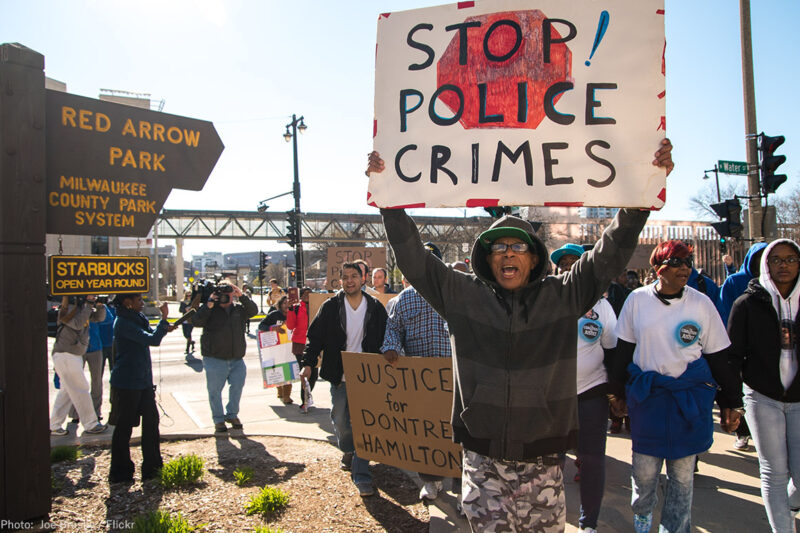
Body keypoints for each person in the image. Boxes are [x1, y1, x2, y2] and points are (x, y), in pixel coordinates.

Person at [368, 139, 674, 532]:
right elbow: (413, 256)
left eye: (518, 247)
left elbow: (609, 253)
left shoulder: (563, 296)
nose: (507, 254)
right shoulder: (462, 296)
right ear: (486, 258)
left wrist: (640, 198)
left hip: (545, 463)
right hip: (482, 461)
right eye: (497, 247)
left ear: (533, 258)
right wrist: (389, 200)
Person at [610, 240, 743, 533]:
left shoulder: (701, 303)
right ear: (659, 269)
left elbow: (719, 357)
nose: (685, 268)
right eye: (677, 263)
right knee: (644, 474)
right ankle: (643, 518)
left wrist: (732, 400)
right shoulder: (636, 300)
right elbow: (623, 351)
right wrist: (616, 393)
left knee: (682, 478)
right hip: (649, 399)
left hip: (689, 401)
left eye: (688, 263)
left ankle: (676, 528)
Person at [728, 239, 800, 533]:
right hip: (762, 396)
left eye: (790, 259)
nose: (783, 265)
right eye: (776, 260)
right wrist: (731, 400)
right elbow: (732, 355)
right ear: (766, 265)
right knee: (774, 471)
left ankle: (790, 504)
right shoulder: (747, 303)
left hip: (799, 400)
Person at [300, 263, 388, 497]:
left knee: (364, 425)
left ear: (363, 279)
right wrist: (307, 364)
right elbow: (314, 337)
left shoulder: (376, 307)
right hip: (338, 375)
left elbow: (387, 336)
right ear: (340, 281)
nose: (349, 281)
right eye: (345, 277)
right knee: (340, 419)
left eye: (354, 277)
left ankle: (361, 475)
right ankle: (348, 449)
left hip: (367, 377)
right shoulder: (331, 307)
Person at [381, 242, 455, 502]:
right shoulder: (403, 299)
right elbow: (393, 330)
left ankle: (462, 488)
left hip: (455, 378)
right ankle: (431, 482)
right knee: (427, 432)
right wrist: (391, 348)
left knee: (458, 432)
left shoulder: (455, 293)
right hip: (420, 381)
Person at [551, 244, 617, 533]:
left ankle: (588, 522)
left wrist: (616, 394)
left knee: (592, 461)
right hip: (553, 398)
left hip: (591, 394)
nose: (568, 267)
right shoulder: (546, 301)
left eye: (574, 262)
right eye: (563, 263)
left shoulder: (602, 308)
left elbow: (613, 352)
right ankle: (551, 517)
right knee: (550, 463)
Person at [108, 293, 175, 483]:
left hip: (143, 381)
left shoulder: (136, 318)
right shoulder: (122, 322)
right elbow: (151, 340)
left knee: (151, 422)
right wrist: (163, 319)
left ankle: (152, 468)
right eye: (139, 301)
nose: (143, 303)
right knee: (124, 427)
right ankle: (120, 472)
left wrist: (163, 327)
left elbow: (151, 334)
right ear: (127, 303)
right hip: (127, 383)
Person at [192, 281, 259, 434]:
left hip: (236, 358)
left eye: (229, 293)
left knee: (237, 388)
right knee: (214, 391)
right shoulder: (210, 309)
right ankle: (218, 419)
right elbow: (196, 321)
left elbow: (253, 311)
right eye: (222, 293)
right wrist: (208, 305)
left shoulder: (238, 310)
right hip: (214, 358)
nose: (225, 297)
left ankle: (232, 414)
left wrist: (241, 296)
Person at [50, 295, 108, 436]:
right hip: (66, 354)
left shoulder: (82, 311)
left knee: (66, 392)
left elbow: (99, 318)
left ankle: (54, 425)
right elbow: (78, 323)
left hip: (71, 355)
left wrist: (100, 306)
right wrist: (89, 304)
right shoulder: (66, 311)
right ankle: (91, 424)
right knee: (81, 388)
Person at [259, 296, 293, 405]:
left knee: (289, 370)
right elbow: (261, 325)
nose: (287, 306)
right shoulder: (274, 315)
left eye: (289, 303)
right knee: (278, 369)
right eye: (284, 303)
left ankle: (287, 396)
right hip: (276, 347)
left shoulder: (295, 313)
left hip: (290, 347)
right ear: (280, 305)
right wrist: (272, 328)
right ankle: (280, 391)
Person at [286, 287, 315, 413]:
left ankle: (307, 396)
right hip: (300, 343)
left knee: (314, 374)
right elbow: (290, 326)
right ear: (300, 296)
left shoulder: (317, 305)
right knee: (305, 373)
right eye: (305, 294)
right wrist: (290, 309)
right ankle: (304, 400)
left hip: (314, 343)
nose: (307, 296)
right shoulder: (296, 307)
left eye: (310, 293)